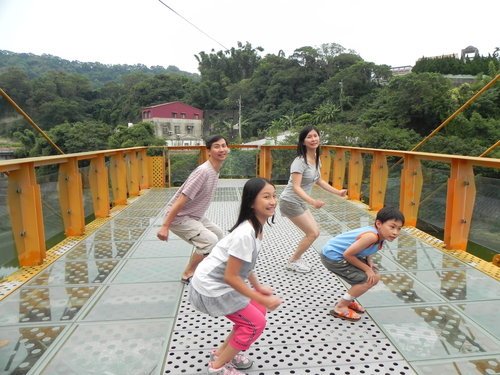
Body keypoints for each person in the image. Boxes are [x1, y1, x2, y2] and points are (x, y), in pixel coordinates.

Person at [189, 177, 283, 375]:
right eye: (266, 197)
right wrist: (261, 298)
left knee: (256, 312)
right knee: (255, 324)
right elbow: (231, 277)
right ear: (251, 202)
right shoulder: (245, 234)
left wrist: (257, 289)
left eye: (274, 195)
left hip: (217, 282)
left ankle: (222, 352)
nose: (273, 201)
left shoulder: (255, 228)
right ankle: (217, 367)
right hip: (211, 288)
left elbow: (244, 266)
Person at [157, 135, 229, 284]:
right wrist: (165, 226)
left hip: (194, 216)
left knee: (219, 234)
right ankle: (188, 273)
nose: (222, 149)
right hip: (180, 218)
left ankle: (211, 268)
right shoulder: (203, 171)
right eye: (217, 146)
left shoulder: (215, 169)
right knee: (209, 241)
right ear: (208, 151)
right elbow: (181, 199)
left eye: (224, 145)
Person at [279, 126, 347, 273]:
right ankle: (293, 261)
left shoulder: (316, 158)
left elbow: (319, 181)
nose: (313, 139)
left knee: (315, 232)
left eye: (315, 136)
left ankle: (296, 259)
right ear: (303, 142)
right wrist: (313, 201)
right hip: (290, 201)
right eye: (309, 137)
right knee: (313, 233)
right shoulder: (300, 161)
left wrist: (338, 192)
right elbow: (296, 187)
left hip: (300, 201)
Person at [321, 206, 405, 321]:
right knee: (366, 280)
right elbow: (348, 254)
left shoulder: (380, 235)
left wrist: (369, 261)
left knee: (374, 276)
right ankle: (341, 307)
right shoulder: (371, 236)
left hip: (342, 254)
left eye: (399, 229)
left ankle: (348, 300)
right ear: (379, 224)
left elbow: (367, 249)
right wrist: (367, 269)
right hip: (333, 257)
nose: (395, 232)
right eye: (392, 227)